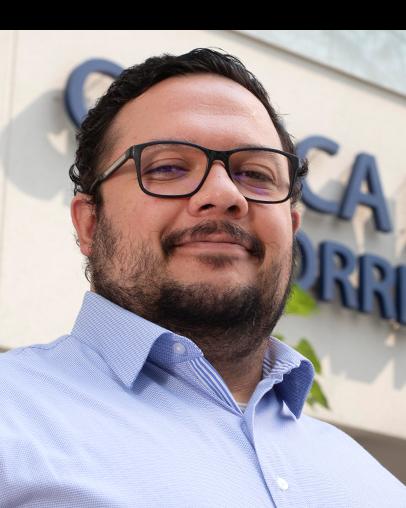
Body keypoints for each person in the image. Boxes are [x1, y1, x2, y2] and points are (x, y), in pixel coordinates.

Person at [0, 48, 404, 508]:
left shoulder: (377, 487)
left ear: (291, 231)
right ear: (90, 225)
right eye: (168, 167)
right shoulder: (11, 417)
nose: (225, 194)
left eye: (255, 173)